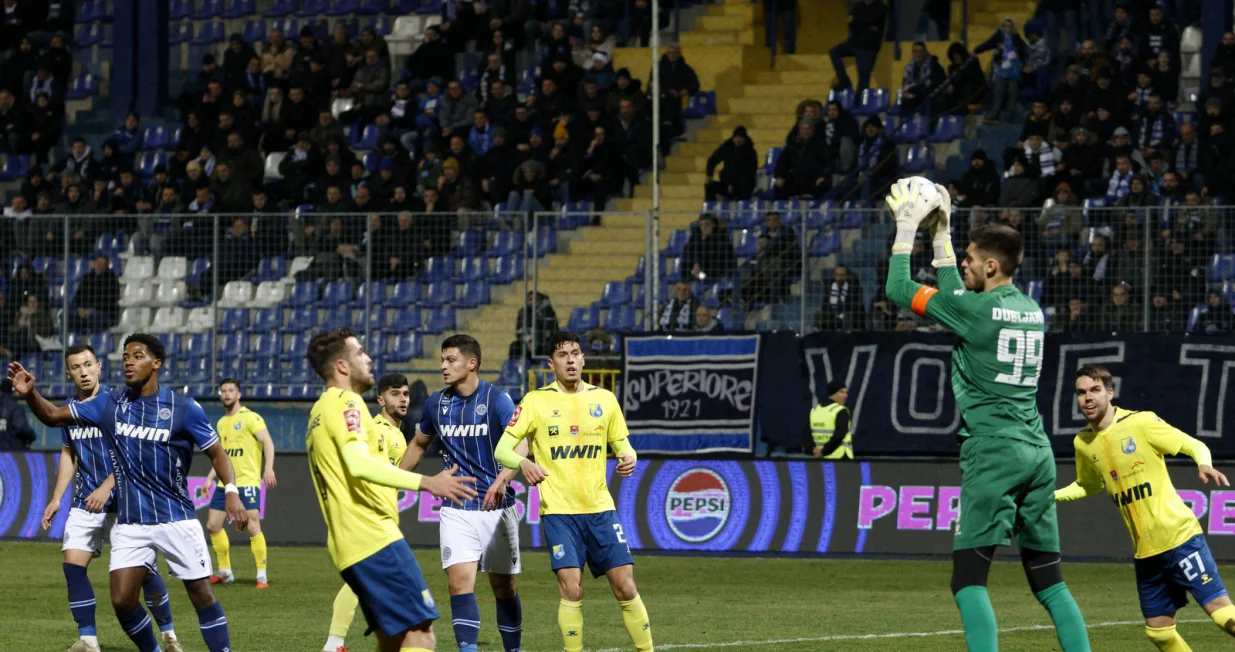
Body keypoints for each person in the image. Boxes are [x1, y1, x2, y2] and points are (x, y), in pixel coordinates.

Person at [883, 178, 1091, 651]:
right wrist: (944, 235)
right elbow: (960, 297)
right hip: (1037, 453)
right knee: (1049, 582)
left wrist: (907, 226)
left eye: (971, 261)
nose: (963, 266)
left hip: (994, 452)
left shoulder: (976, 314)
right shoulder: (1031, 309)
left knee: (968, 579)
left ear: (991, 266)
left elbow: (898, 286)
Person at [8, 334, 247, 652]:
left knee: (201, 594)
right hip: (132, 522)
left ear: (156, 363)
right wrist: (31, 394)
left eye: (137, 355)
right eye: (125, 357)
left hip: (174, 515)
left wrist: (231, 491)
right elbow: (53, 417)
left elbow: (217, 453)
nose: (129, 361)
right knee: (121, 599)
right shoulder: (109, 405)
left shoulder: (183, 408)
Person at [303, 328, 477, 652]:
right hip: (372, 535)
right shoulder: (347, 402)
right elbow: (358, 464)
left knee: (393, 638)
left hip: (348, 541)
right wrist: (427, 482)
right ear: (342, 366)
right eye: (359, 353)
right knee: (421, 635)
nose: (368, 358)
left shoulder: (318, 412)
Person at [495, 331, 652, 652]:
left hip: (600, 509)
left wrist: (629, 456)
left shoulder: (605, 399)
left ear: (583, 359)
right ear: (551, 363)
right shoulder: (535, 401)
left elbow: (622, 443)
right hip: (559, 513)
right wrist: (523, 465)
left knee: (625, 586)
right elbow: (503, 449)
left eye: (575, 353)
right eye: (562, 355)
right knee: (571, 589)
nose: (570, 360)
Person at [1058, 366, 1235, 648]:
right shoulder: (1083, 442)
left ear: (1110, 393)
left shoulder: (1141, 423)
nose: (1087, 398)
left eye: (1095, 390)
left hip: (1179, 538)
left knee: (1222, 614)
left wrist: (1204, 463)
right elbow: (1088, 485)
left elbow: (1192, 445)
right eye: (1081, 392)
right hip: (1146, 552)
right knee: (1160, 633)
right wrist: (1050, 496)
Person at [40, 344, 182, 652]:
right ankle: (89, 641)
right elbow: (69, 453)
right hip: (85, 502)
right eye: (77, 367)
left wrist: (107, 486)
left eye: (88, 365)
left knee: (144, 574)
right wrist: (56, 498)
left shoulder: (118, 404)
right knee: (73, 566)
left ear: (99, 366)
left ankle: (169, 635)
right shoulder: (71, 412)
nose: (84, 372)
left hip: (125, 502)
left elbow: (134, 454)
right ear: (69, 374)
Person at [399, 337, 526, 652]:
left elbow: (522, 443)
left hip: (497, 507)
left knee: (503, 586)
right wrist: (394, 480)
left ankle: (513, 649)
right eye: (442, 359)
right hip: (456, 508)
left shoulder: (498, 400)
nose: (443, 366)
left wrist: (501, 481)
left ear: (472, 363)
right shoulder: (435, 403)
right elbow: (418, 444)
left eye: (451, 359)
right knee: (458, 585)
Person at [321, 373, 412, 652]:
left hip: (380, 515)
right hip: (369, 515)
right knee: (364, 580)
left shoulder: (396, 433)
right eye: (396, 394)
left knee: (370, 581)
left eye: (406, 394)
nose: (403, 399)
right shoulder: (380, 431)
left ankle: (343, 641)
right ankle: (335, 643)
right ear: (381, 399)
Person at [198, 379, 276, 589]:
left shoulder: (251, 417)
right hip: (226, 484)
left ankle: (261, 575)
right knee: (213, 525)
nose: (226, 394)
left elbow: (267, 442)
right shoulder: (222, 422)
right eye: (223, 391)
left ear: (239, 394)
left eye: (231, 391)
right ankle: (225, 571)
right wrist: (210, 478)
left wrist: (268, 468)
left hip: (248, 481)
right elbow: (221, 457)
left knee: (252, 525)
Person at [829, 0, 887, 93]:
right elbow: (851, 24)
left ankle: (859, 104)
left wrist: (858, 22)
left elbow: (874, 22)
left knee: (863, 79)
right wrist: (866, 26)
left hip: (868, 46)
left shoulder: (880, 7)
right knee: (834, 52)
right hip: (854, 42)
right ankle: (844, 80)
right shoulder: (858, 6)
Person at [809, 381, 852, 459]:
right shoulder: (840, 411)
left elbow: (808, 436)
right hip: (840, 457)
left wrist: (815, 452)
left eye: (846, 393)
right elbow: (839, 435)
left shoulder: (815, 410)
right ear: (833, 393)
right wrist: (823, 452)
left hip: (819, 457)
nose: (845, 396)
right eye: (841, 392)